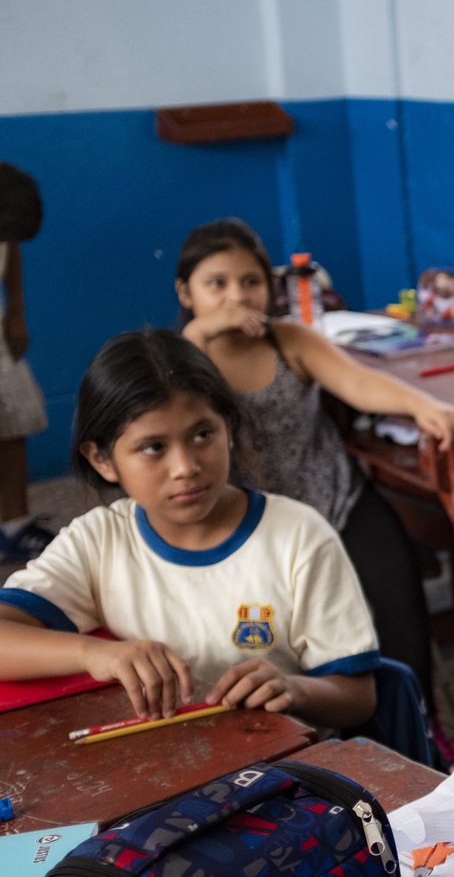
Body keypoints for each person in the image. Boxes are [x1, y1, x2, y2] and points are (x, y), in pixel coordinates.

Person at [176, 219, 454, 752]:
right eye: (216, 284)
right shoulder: (180, 363)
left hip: (336, 505)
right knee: (275, 641)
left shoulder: (289, 340)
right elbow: (170, 405)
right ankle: (319, 744)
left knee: (397, 586)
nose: (236, 296)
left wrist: (425, 406)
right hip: (249, 528)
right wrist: (198, 338)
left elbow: (359, 382)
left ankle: (418, 728)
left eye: (251, 282)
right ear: (185, 294)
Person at [0, 330, 377, 729]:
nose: (185, 467)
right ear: (102, 459)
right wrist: (94, 654)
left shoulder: (298, 536)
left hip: (282, 768)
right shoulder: (99, 540)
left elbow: (358, 697)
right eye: (153, 448)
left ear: (228, 429)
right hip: (165, 764)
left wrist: (295, 689)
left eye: (202, 435)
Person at [0, 164, 53, 564]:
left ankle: (14, 526)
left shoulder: (7, 215)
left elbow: (11, 253)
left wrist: (16, 312)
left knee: (15, 418)